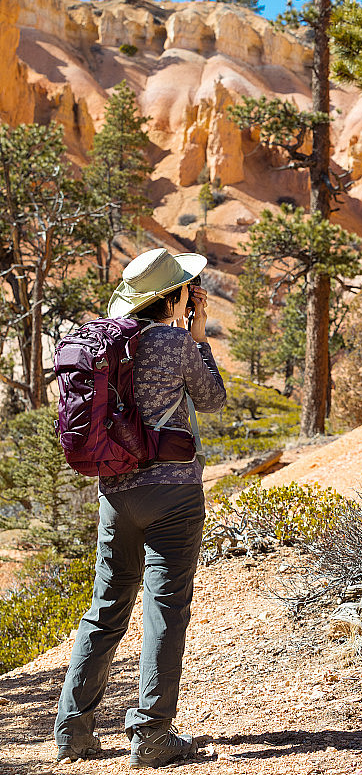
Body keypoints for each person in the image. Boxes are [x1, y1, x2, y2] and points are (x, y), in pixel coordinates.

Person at [54, 248, 226, 769]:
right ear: (174, 298)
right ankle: (151, 734)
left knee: (106, 606)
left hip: (115, 492)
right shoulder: (174, 342)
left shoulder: (111, 341)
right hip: (173, 494)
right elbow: (213, 398)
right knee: (166, 607)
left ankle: (72, 730)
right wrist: (197, 338)